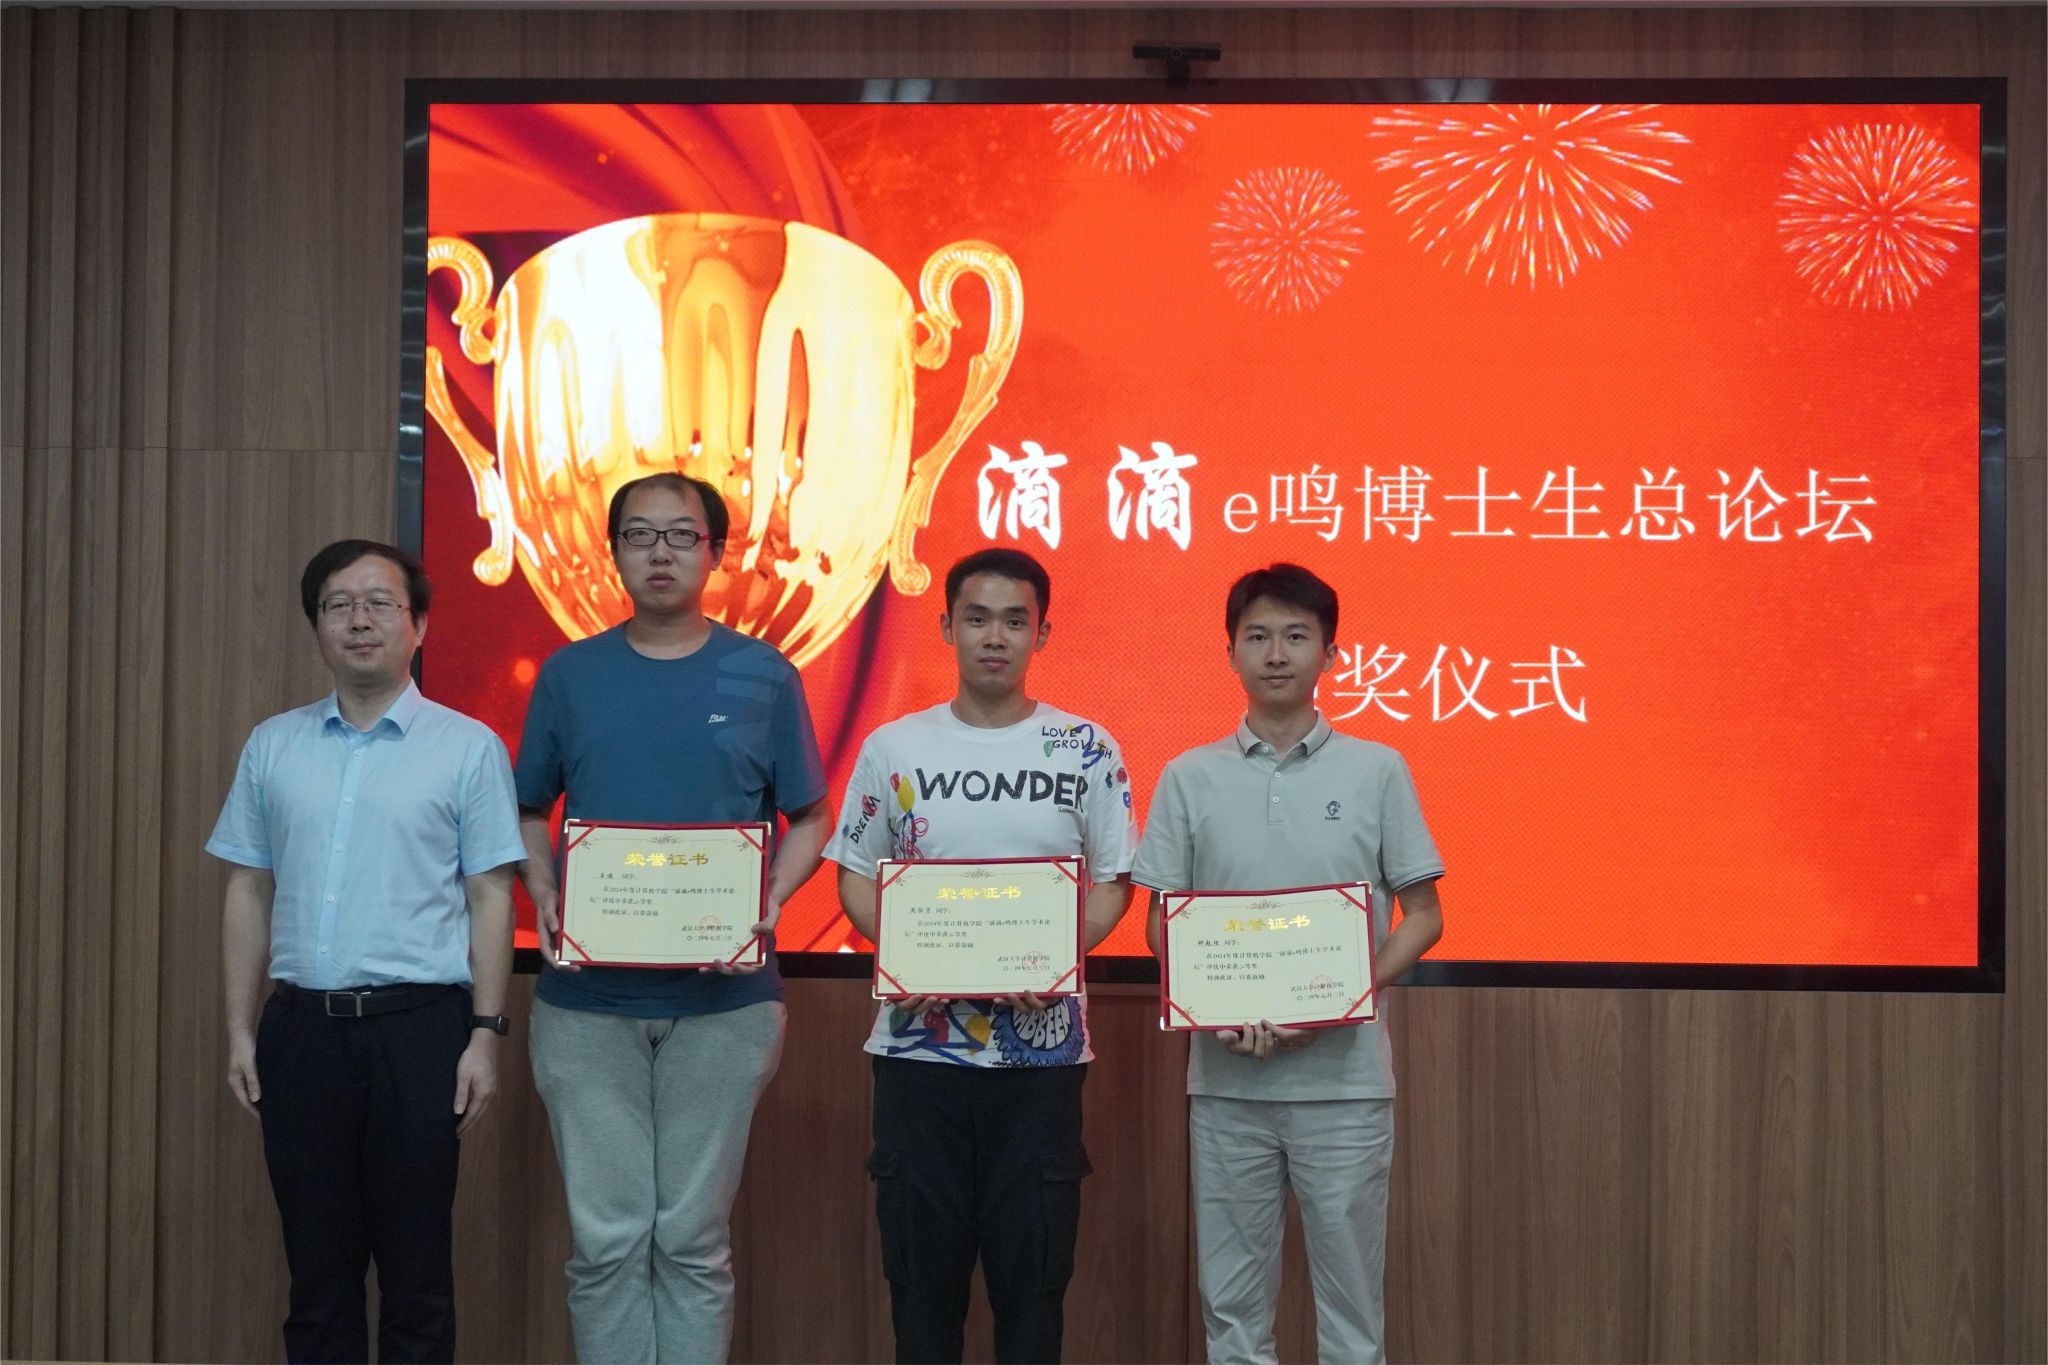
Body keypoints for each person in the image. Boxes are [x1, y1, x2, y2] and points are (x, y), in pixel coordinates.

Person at [513, 472, 832, 1364]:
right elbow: (528, 805)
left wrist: (770, 897)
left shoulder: (764, 673)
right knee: (606, 1242)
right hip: (587, 1004)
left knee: (693, 1240)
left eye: (681, 534)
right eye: (639, 534)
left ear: (715, 552)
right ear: (613, 551)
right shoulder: (570, 675)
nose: (660, 551)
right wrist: (544, 887)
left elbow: (811, 815)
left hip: (725, 1005)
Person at [209, 539, 524, 1364]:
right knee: (316, 1274)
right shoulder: (273, 744)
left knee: (418, 1272)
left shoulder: (467, 746)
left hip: (420, 1032)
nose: (359, 620)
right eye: (338, 604)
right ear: (316, 624)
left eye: (380, 602)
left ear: (419, 624)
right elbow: (247, 887)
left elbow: (492, 895)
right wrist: (240, 1029)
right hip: (301, 1032)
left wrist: (486, 1032)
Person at [825, 547, 1137, 1365]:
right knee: (921, 1290)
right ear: (946, 627)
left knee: (1032, 1290)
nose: (995, 636)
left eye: (1014, 620)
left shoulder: (1085, 747)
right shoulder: (894, 747)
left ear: (1042, 633)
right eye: (977, 618)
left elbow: (1113, 883)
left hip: (1041, 1062)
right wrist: (906, 955)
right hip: (916, 1057)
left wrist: (1054, 957)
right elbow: (854, 874)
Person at [1131, 563, 1446, 1365]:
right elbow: (1160, 921)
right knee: (1233, 1312)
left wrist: (1337, 998)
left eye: (1297, 636)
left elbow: (1424, 916)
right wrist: (1214, 1005)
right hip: (1226, 1084)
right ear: (1231, 652)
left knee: (1352, 1314)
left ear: (1330, 654)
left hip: (1345, 1086)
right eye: (1259, 636)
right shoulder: (1188, 775)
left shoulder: (1379, 768)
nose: (1277, 653)